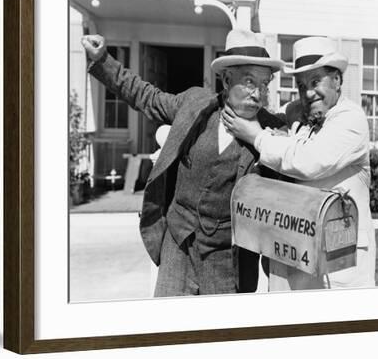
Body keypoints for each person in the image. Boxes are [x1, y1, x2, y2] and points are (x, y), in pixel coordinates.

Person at [81, 29, 284, 296]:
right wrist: (104, 59)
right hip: (178, 245)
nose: (257, 93)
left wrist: (260, 134)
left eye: (263, 84)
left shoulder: (270, 132)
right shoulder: (195, 104)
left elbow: (301, 153)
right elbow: (146, 96)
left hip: (227, 260)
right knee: (168, 330)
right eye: (249, 81)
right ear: (226, 79)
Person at [222, 36, 376, 289]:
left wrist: (257, 136)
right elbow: (270, 115)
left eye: (316, 82)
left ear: (337, 80)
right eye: (301, 85)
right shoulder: (298, 112)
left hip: (339, 261)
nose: (308, 92)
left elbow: (309, 161)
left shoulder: (351, 119)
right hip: (297, 254)